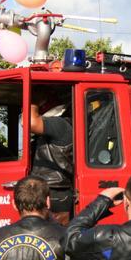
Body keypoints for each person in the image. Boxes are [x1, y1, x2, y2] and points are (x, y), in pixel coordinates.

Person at [29, 87, 73, 225]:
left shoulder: (60, 124)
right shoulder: (60, 126)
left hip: (55, 194)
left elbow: (30, 122)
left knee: (54, 235)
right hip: (53, 192)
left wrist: (33, 101)